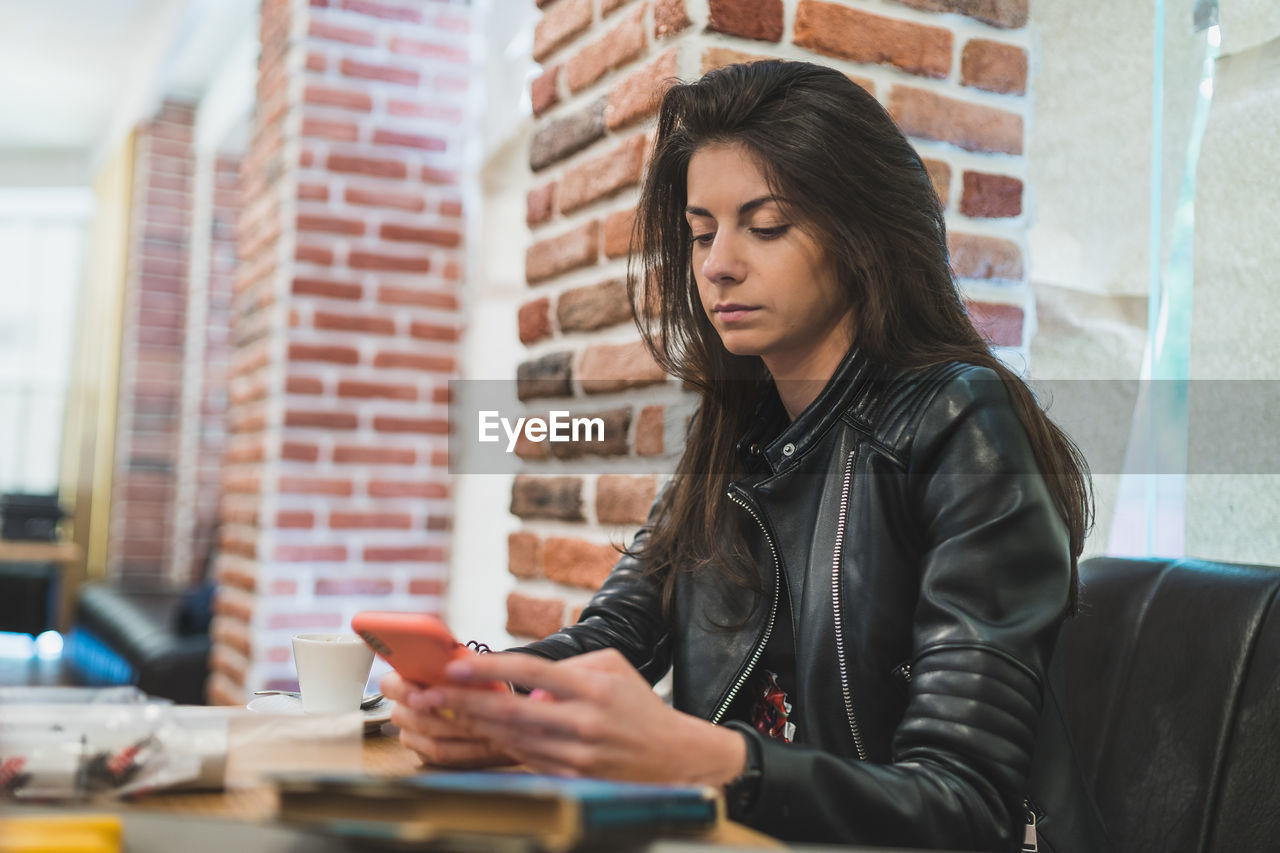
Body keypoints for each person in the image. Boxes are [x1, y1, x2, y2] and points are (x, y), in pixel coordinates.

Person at [382, 60, 1109, 851]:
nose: (717, 262)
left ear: (860, 237)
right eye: (701, 232)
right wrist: (487, 690)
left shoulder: (959, 422)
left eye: (764, 226)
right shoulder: (734, 436)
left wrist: (710, 759)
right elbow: (615, 630)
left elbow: (963, 804)